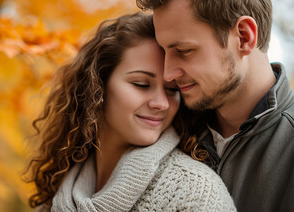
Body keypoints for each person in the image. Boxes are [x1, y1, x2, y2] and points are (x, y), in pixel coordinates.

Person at [24, 12, 236, 212]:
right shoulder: (57, 192)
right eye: (142, 84)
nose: (161, 103)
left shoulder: (195, 195)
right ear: (96, 87)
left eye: (172, 90)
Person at [136, 0, 294, 212]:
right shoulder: (162, 124)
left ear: (243, 37)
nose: (168, 74)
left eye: (183, 50)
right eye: (164, 51)